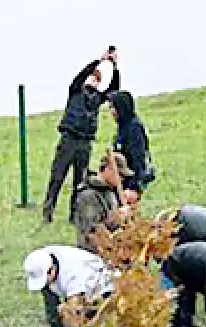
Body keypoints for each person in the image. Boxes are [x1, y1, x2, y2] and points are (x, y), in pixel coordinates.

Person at [42, 48, 120, 224]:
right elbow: (79, 77)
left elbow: (114, 89)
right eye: (92, 76)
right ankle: (48, 211)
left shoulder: (97, 99)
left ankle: (74, 214)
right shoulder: (75, 91)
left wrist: (114, 66)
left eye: (97, 78)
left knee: (80, 179)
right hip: (69, 139)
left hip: (85, 142)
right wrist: (99, 61)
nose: (93, 79)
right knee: (57, 176)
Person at [71, 152, 134, 251]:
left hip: (112, 249)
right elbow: (91, 229)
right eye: (120, 174)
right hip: (92, 253)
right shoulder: (88, 196)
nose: (121, 179)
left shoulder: (110, 192)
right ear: (108, 169)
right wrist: (117, 216)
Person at [109, 91, 153, 193]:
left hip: (132, 179)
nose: (111, 112)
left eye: (113, 107)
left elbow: (138, 156)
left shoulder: (134, 127)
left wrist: (134, 184)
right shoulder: (123, 125)